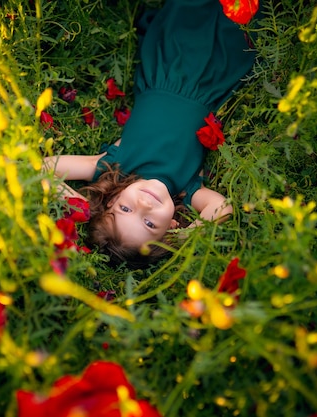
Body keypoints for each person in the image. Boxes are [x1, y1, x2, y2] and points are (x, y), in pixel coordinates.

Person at [45, 0, 260, 268]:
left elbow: (44, 169)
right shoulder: (186, 189)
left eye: (125, 209)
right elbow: (222, 208)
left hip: (168, 64)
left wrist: (82, 208)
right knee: (236, 19)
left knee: (190, 11)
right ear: (170, 226)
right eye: (149, 223)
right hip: (210, 76)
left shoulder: (113, 165)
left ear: (112, 198)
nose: (145, 205)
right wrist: (185, 236)